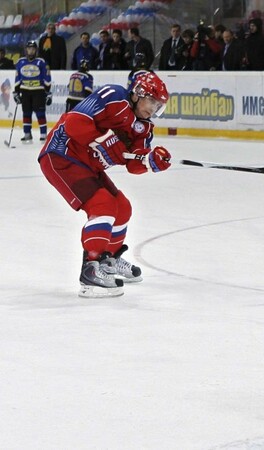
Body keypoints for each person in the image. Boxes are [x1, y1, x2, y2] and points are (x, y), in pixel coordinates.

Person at [37, 72, 172, 298]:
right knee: (103, 205)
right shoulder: (113, 97)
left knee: (122, 207)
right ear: (139, 94)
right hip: (61, 154)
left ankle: (108, 260)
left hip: (89, 165)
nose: (154, 109)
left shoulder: (145, 128)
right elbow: (74, 122)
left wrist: (150, 162)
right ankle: (91, 269)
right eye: (152, 101)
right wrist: (104, 139)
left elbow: (133, 162)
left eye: (159, 105)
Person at [13, 41, 52, 143]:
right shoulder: (20, 62)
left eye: (33, 49)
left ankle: (43, 134)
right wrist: (16, 92)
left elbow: (47, 77)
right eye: (29, 48)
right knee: (26, 113)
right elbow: (18, 78)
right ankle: (27, 134)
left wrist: (48, 92)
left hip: (38, 91)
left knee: (40, 113)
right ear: (26, 50)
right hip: (25, 91)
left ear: (36, 50)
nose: (31, 50)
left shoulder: (41, 62)